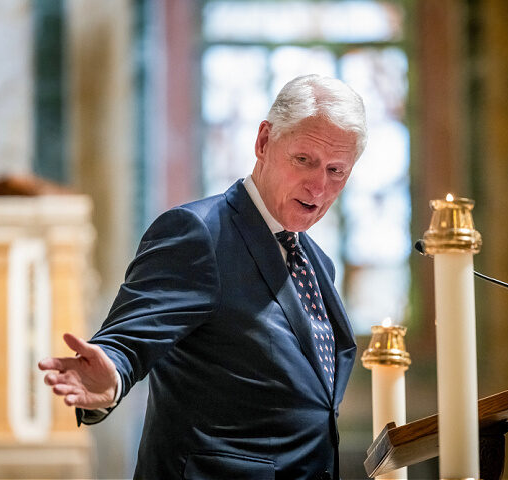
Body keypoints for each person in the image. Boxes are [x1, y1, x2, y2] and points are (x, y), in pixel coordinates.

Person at [39, 74, 367, 480]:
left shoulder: (317, 263)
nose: (319, 185)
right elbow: (131, 338)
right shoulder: (198, 234)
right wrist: (112, 379)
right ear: (264, 142)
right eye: (304, 160)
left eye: (337, 170)